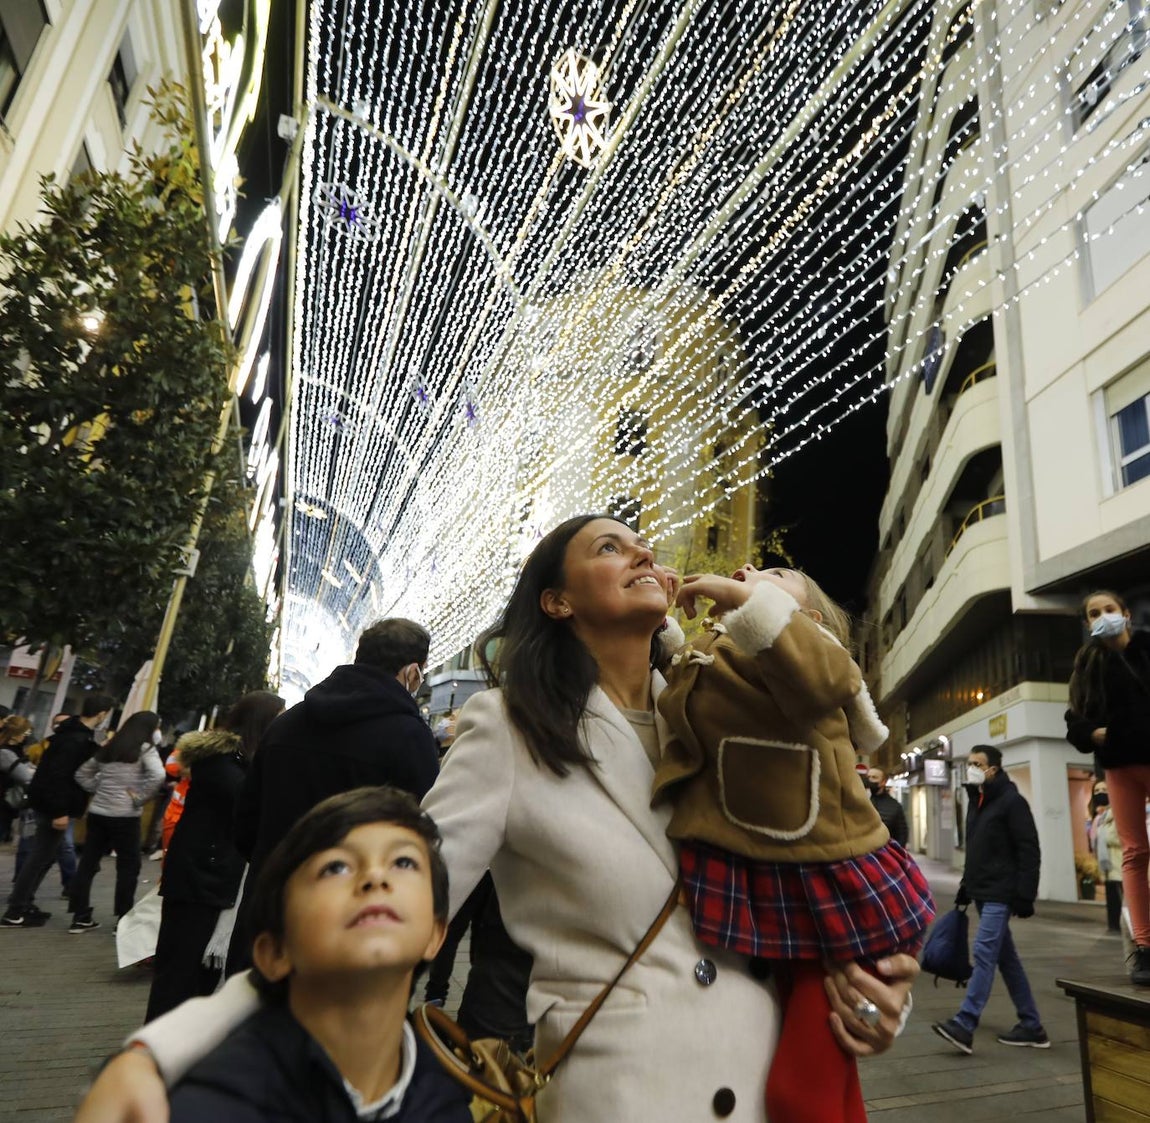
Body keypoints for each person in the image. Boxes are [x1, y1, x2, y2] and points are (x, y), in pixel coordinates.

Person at [74, 516, 919, 1123]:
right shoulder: (507, 726)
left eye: (643, 543)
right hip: (622, 1093)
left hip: (774, 1085)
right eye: (609, 545)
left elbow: (815, 884)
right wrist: (174, 1046)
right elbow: (389, 907)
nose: (643, 553)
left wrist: (873, 997)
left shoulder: (722, 719)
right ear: (555, 601)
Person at [653, 563, 934, 1123]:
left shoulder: (807, 649)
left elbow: (827, 676)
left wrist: (746, 599)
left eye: (776, 573)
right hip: (781, 888)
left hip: (835, 885)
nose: (751, 569)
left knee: (801, 1092)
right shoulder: (727, 651)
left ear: (805, 615)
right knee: (825, 1084)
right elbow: (684, 680)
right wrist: (660, 627)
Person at [164, 786, 470, 1122]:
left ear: (435, 934)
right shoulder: (210, 1104)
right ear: (276, 951)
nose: (375, 876)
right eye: (336, 868)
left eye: (404, 862)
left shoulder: (446, 1101)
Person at [225, 618, 439, 974]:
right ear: (413, 673)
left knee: (253, 1014)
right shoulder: (408, 737)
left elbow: (246, 820)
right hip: (352, 919)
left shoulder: (287, 723)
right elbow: (424, 831)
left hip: (269, 907)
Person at [147, 691, 285, 1021]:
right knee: (178, 976)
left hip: (212, 877)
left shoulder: (241, 761)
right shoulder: (220, 762)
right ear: (262, 722)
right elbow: (248, 804)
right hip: (200, 880)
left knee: (198, 977)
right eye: (280, 717)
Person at [931, 744, 1047, 1053]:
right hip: (983, 890)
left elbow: (1029, 849)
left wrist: (1025, 894)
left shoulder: (1012, 802)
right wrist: (967, 885)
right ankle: (1032, 1026)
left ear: (992, 769)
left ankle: (965, 1023)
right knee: (1007, 959)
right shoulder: (976, 799)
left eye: (976, 763)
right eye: (968, 762)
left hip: (1001, 892)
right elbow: (977, 848)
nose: (970, 767)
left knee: (984, 951)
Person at [1065, 588, 1150, 984]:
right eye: (1095, 613)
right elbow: (1075, 718)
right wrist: (1095, 734)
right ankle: (1145, 948)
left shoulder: (1146, 650)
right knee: (1133, 853)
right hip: (1119, 768)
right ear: (1087, 624)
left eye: (1109, 609)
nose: (1103, 617)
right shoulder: (1089, 663)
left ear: (1126, 614)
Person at [2, 692, 114, 928]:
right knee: (39, 856)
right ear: (102, 714)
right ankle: (16, 909)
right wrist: (60, 811)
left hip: (49, 803)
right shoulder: (75, 740)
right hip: (54, 806)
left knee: (44, 856)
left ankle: (21, 905)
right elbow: (59, 777)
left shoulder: (69, 734)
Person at [67, 711, 165, 932]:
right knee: (129, 867)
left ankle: (79, 916)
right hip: (126, 816)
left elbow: (81, 774)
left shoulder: (108, 748)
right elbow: (159, 775)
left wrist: (97, 789)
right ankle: (122, 918)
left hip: (98, 813)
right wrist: (140, 798)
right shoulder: (145, 750)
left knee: (88, 864)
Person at [1087, 779, 1123, 934]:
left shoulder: (1119, 812)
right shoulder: (1098, 818)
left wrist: (1104, 836)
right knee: (1117, 903)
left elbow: (1120, 838)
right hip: (1108, 866)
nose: (1100, 793)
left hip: (1120, 864)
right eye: (1096, 791)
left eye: (1104, 789)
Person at [0, 715, 34, 842]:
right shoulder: (6, 753)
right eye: (26, 732)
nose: (27, 736)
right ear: (15, 734)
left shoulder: (15, 751)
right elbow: (26, 776)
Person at [867, 766, 909, 846]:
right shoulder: (862, 801)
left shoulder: (894, 806)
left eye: (874, 777)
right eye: (868, 777)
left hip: (884, 853)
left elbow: (902, 835)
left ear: (884, 782)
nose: (870, 780)